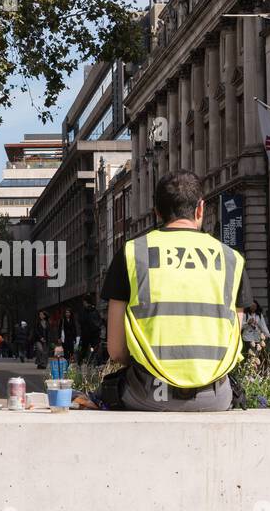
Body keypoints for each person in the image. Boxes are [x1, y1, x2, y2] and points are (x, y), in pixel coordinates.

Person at [100, 169, 249, 411]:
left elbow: (116, 351)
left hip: (148, 393)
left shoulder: (132, 253)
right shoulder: (232, 259)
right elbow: (233, 335)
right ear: (200, 209)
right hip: (214, 396)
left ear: (156, 212)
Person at [78, 297, 102, 364]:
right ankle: (93, 362)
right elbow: (98, 322)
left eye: (84, 302)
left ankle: (83, 363)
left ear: (86, 302)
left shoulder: (87, 311)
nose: (83, 303)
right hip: (92, 334)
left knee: (86, 350)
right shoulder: (94, 310)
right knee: (92, 349)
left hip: (89, 334)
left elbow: (81, 321)